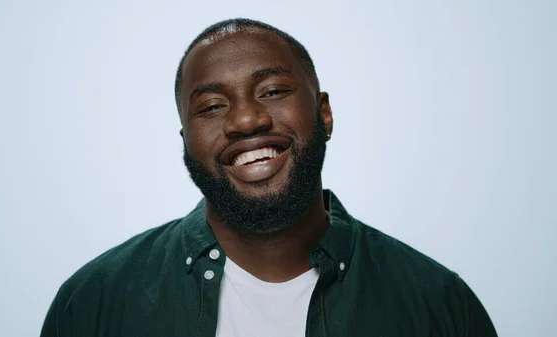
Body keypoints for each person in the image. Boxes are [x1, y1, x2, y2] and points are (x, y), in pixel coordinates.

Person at [40, 18, 498, 337]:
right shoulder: (93, 302)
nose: (245, 120)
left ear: (324, 114)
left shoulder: (438, 306)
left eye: (273, 91)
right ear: (186, 140)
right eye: (212, 106)